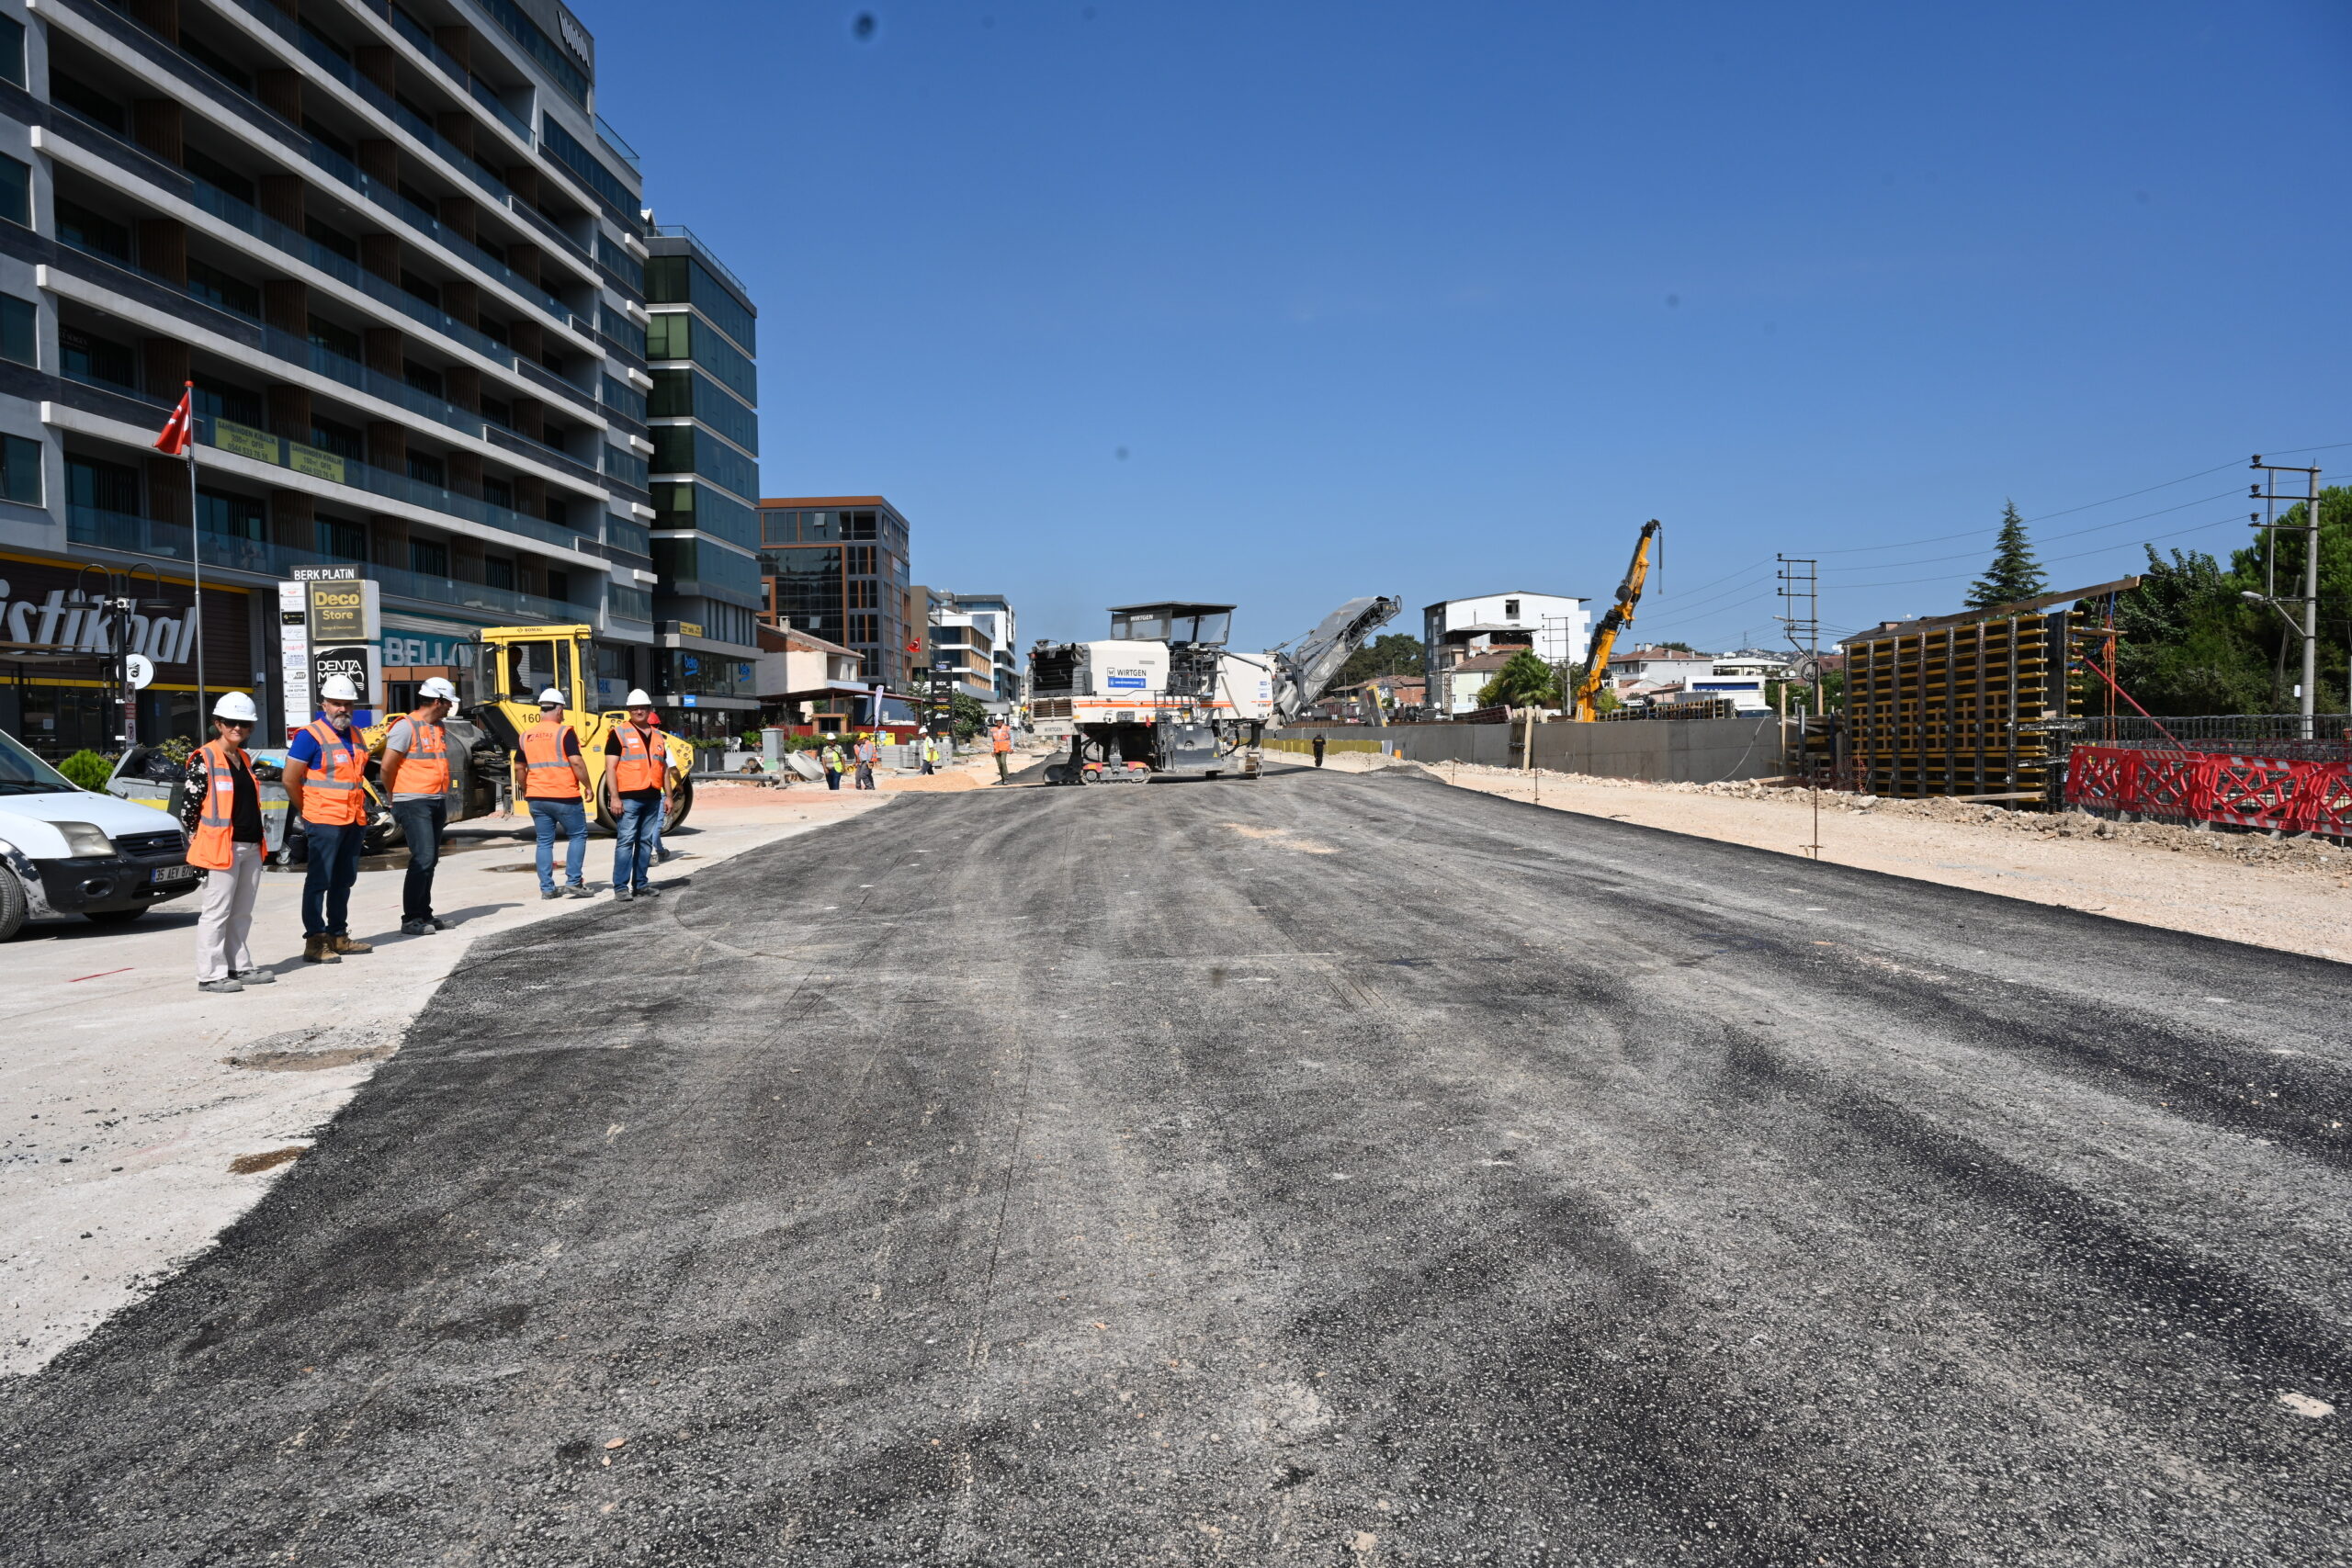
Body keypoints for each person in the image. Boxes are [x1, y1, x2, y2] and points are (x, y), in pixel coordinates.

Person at [181, 692, 274, 993]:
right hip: (220, 848)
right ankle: (210, 975)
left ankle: (239, 966)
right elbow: (188, 809)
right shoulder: (204, 758)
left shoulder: (244, 758)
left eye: (245, 724)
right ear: (218, 723)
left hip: (249, 846)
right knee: (216, 913)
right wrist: (199, 842)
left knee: (241, 912)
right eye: (232, 722)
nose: (238, 728)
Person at [282, 674, 374, 964]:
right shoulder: (309, 736)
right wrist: (306, 811)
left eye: (347, 704)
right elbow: (289, 779)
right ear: (324, 704)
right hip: (323, 819)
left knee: (343, 880)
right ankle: (315, 941)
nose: (342, 709)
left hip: (352, 819)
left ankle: (338, 936)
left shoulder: (358, 735)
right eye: (336, 703)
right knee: (319, 881)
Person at [379, 676, 458, 936]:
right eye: (447, 703)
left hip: (435, 800)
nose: (449, 708)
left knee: (430, 859)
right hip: (412, 801)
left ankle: (424, 913)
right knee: (422, 858)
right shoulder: (405, 727)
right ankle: (411, 918)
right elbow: (387, 766)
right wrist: (393, 794)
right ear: (437, 701)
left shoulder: (438, 727)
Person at [514, 687, 594, 900]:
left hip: (537, 797)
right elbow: (576, 762)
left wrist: (525, 788)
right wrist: (587, 785)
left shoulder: (526, 736)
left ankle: (547, 888)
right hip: (564, 796)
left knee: (544, 841)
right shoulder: (564, 732)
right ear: (559, 710)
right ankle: (574, 882)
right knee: (577, 835)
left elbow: (518, 768)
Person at [604, 689, 668, 901]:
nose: (639, 711)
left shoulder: (658, 736)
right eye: (634, 708)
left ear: (649, 709)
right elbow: (610, 768)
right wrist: (615, 797)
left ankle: (640, 884)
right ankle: (621, 887)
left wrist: (667, 795)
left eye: (642, 708)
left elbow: (663, 767)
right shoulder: (618, 733)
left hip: (652, 797)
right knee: (625, 841)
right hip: (629, 798)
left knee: (645, 842)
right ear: (628, 710)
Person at [990, 718, 1014, 784]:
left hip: (1004, 748)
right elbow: (992, 741)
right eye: (998, 721)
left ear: (1002, 721)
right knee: (999, 765)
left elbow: (1012, 737)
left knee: (1003, 762)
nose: (999, 722)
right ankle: (1003, 780)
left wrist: (1012, 747)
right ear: (996, 721)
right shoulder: (994, 729)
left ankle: (1006, 779)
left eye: (1000, 721)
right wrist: (992, 750)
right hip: (996, 749)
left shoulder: (1007, 728)